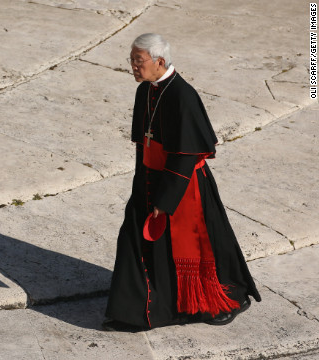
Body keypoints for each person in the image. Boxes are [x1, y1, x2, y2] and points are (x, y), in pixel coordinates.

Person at [103, 33, 261, 331]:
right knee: (134, 239)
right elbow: (143, 143)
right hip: (150, 179)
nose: (133, 67)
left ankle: (228, 300)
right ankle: (134, 312)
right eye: (132, 61)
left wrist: (165, 201)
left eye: (138, 61)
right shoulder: (146, 91)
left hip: (183, 187)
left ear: (159, 61)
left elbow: (186, 155)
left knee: (202, 249)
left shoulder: (183, 95)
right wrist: (141, 184)